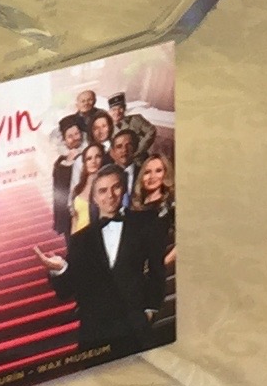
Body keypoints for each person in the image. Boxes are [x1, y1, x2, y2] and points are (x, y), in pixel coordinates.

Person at [44, 164, 168, 357]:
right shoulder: (80, 240)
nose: (110, 195)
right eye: (102, 191)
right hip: (95, 332)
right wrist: (59, 269)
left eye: (115, 187)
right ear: (94, 197)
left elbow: (157, 270)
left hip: (136, 326)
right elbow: (66, 291)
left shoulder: (145, 223)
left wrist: (151, 309)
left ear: (124, 189)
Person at [124, 150, 177, 343]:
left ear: (166, 174)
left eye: (158, 171)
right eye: (147, 172)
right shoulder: (134, 205)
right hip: (132, 277)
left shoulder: (170, 206)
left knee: (142, 331)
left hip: (153, 278)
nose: (152, 176)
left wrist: (163, 262)